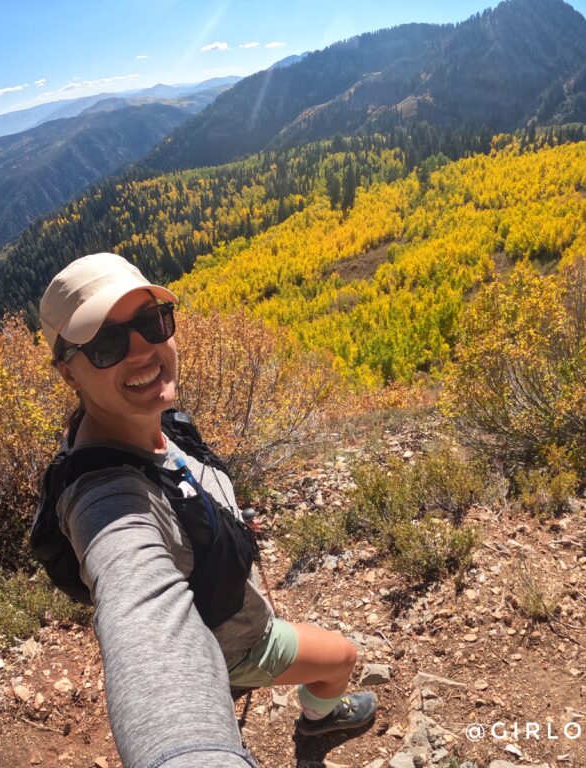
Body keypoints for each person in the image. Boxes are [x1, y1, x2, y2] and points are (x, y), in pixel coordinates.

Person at [38, 252, 378, 768]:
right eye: (106, 344)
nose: (143, 351)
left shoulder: (145, 418)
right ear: (69, 373)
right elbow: (139, 606)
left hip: (221, 618)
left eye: (152, 322)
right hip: (242, 642)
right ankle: (320, 718)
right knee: (342, 659)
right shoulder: (109, 504)